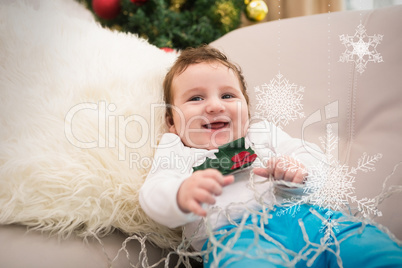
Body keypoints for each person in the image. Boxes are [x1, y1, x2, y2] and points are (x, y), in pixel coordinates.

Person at [139, 45, 402, 267]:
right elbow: (153, 190)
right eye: (196, 98)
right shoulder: (176, 148)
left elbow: (312, 157)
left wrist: (300, 171)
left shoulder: (260, 133)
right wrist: (180, 195)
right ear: (172, 121)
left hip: (308, 218)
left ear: (247, 110)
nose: (215, 106)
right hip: (235, 237)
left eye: (228, 95)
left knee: (369, 247)